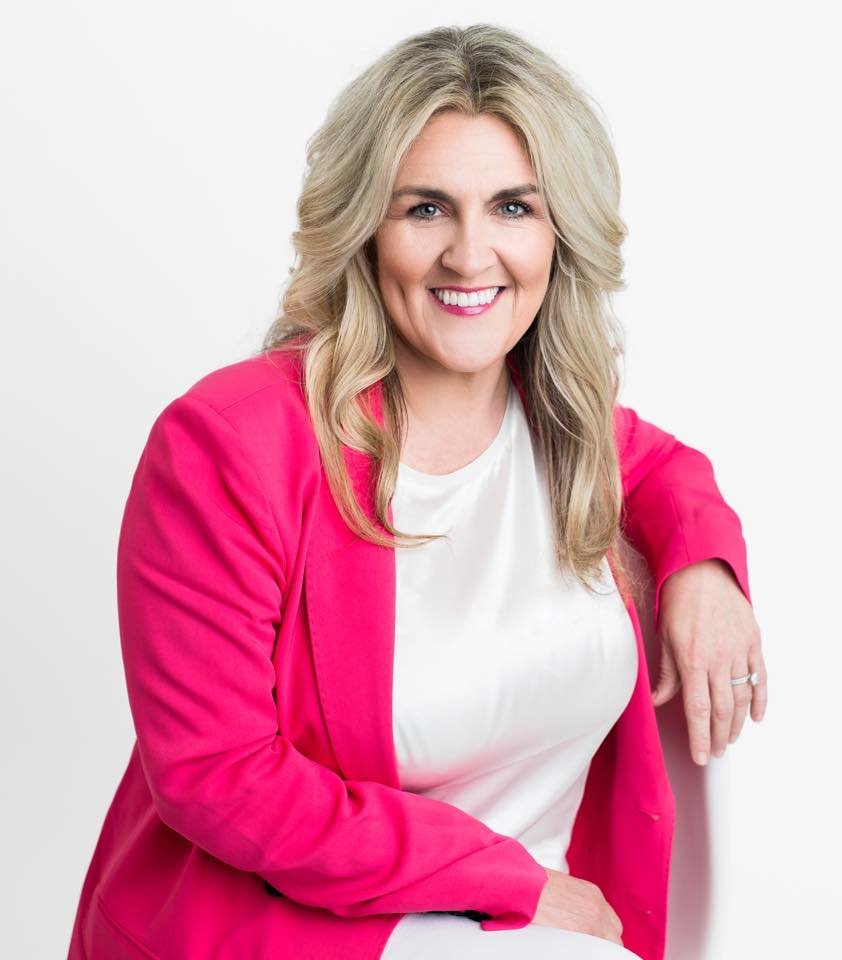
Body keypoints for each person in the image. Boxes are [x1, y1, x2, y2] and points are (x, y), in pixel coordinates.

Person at [66, 23, 765, 960]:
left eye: (513, 207)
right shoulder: (228, 447)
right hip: (306, 931)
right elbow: (218, 775)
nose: (470, 256)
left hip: (547, 929)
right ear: (364, 227)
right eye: (426, 209)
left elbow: (662, 469)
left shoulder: (562, 422)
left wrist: (704, 569)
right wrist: (508, 882)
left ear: (561, 233)